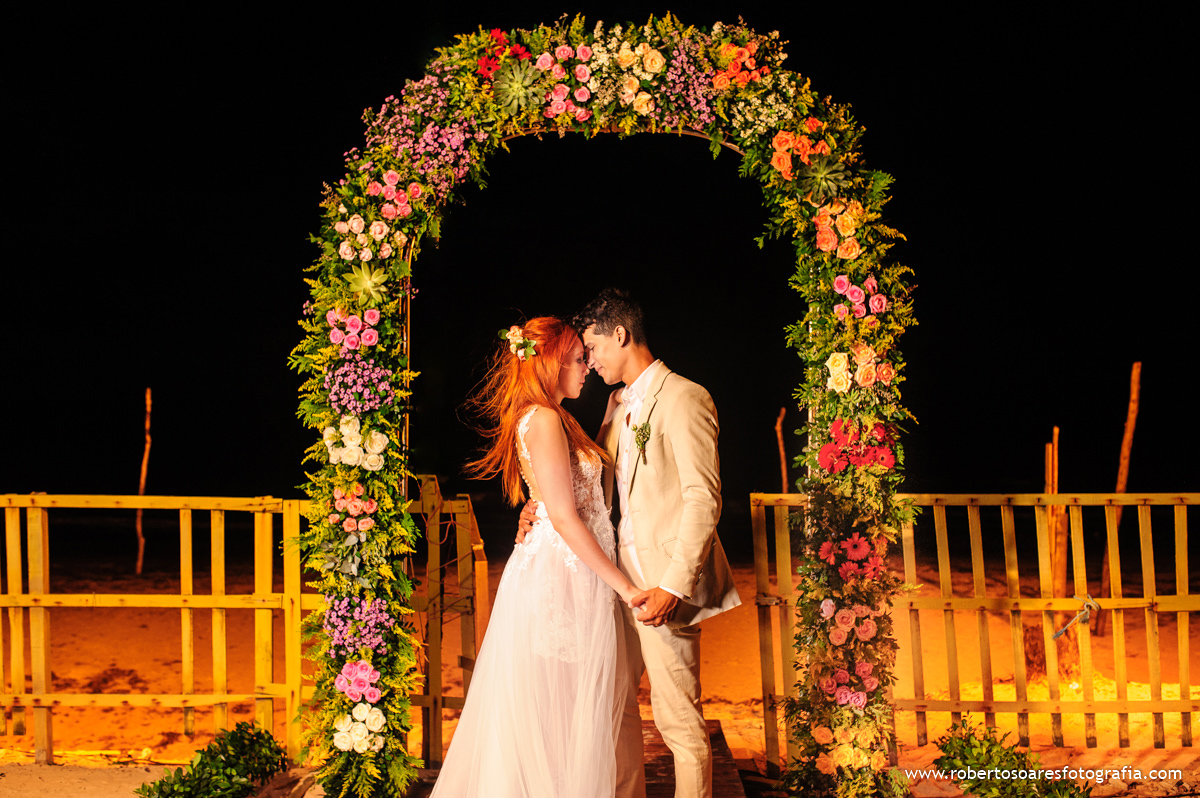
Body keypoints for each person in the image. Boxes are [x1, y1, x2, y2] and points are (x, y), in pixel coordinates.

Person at [521, 289, 742, 798]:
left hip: (663, 588)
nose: (590, 361)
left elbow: (703, 500)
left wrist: (673, 586)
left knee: (678, 722)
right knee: (615, 708)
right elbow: (589, 484)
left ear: (620, 335)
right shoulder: (618, 405)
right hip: (618, 587)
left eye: (594, 348)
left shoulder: (685, 397)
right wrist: (539, 510)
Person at [430, 316, 639, 798]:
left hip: (568, 569)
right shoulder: (543, 419)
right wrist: (625, 587)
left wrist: (608, 420)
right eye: (578, 359)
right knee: (558, 707)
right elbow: (564, 517)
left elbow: (568, 488)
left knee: (564, 707)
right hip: (561, 575)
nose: (587, 368)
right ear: (551, 363)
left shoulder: (552, 416)